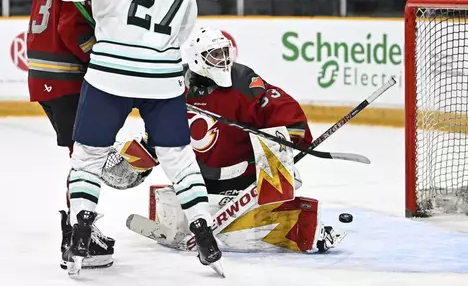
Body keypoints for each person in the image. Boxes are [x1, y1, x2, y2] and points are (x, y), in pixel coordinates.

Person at [48, 0, 222, 277]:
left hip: (110, 75)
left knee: (90, 157)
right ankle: (204, 230)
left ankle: (80, 230)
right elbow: (187, 27)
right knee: (179, 160)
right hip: (163, 78)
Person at [118, 27, 345, 253]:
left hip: (241, 179)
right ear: (197, 58)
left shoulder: (243, 80)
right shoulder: (176, 84)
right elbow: (162, 128)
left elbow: (281, 107)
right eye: (215, 55)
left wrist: (292, 141)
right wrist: (144, 153)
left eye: (226, 53)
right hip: (195, 178)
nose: (224, 60)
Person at [28, 0, 115, 270]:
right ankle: (75, 237)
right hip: (65, 77)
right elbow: (71, 28)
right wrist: (105, 62)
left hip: (47, 78)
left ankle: (81, 229)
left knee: (81, 156)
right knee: (85, 159)